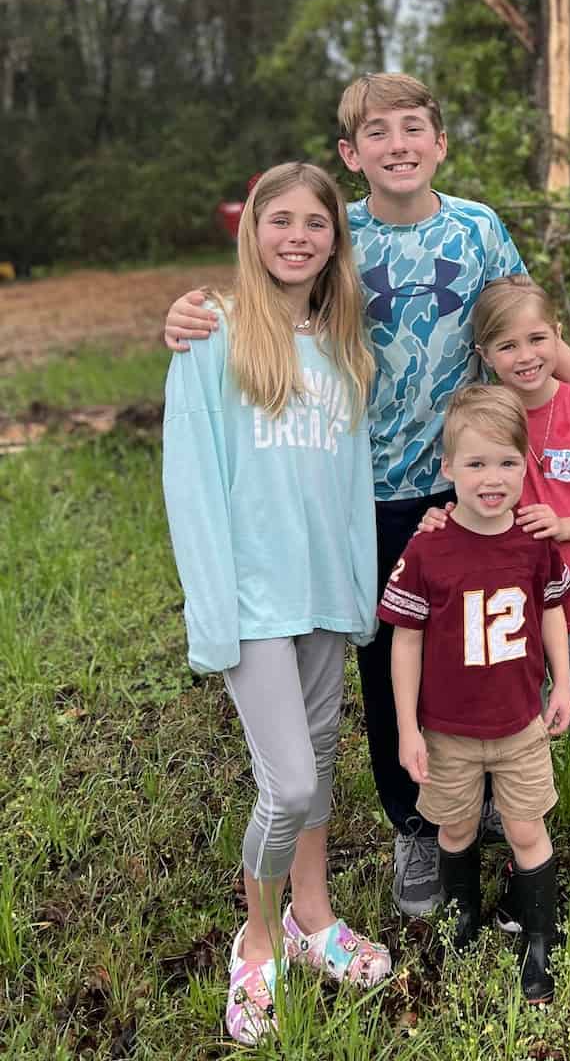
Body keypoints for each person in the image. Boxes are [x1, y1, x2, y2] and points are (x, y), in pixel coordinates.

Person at [163, 73, 570, 922]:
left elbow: (529, 325)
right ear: (352, 155)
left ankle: (492, 795)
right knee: (393, 666)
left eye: (413, 128)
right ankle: (416, 825)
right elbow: (280, 285)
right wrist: (195, 314)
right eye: (377, 133)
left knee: (487, 648)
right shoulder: (345, 239)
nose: (398, 145)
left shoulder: (478, 228)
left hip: (472, 482)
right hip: (370, 494)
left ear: (439, 142)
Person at [162, 163, 390, 1049]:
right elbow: (193, 487)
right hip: (253, 603)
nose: (298, 236)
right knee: (286, 782)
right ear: (252, 231)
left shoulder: (341, 347)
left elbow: (346, 489)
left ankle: (314, 918)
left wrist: (357, 593)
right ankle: (256, 941)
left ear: (337, 240)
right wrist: (212, 614)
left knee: (322, 766)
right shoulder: (213, 334)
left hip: (323, 595)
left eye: (317, 223)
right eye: (280, 220)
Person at [425, 275, 570, 904]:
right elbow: (469, 494)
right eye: (506, 346)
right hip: (507, 613)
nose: (524, 356)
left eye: (537, 339)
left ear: (559, 338)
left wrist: (564, 526)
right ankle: (520, 847)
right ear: (484, 356)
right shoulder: (487, 417)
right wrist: (440, 519)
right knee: (508, 727)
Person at [380, 384, 570, 1004]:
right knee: (456, 825)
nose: (492, 479)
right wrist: (407, 728)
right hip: (447, 729)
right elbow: (405, 641)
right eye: (475, 463)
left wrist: (562, 683)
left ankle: (538, 936)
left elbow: (551, 613)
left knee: (524, 828)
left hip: (519, 724)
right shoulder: (428, 546)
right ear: (448, 469)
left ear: (526, 464)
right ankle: (462, 915)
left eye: (507, 463)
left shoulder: (534, 539)